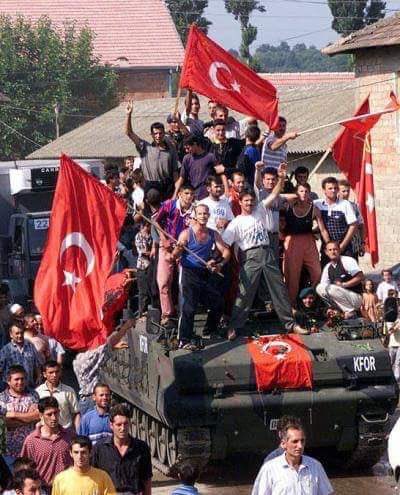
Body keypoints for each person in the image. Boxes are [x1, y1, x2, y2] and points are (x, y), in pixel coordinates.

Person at [222, 164, 307, 341]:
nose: (250, 203)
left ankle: (291, 325)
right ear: (240, 201)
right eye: (246, 200)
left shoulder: (260, 208)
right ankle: (234, 327)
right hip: (250, 256)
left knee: (279, 290)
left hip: (267, 252)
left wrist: (282, 177)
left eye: (251, 200)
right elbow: (224, 243)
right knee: (245, 293)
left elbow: (275, 194)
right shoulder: (236, 223)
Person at [171, 204, 231, 350]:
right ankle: (184, 340)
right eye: (200, 214)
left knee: (217, 302)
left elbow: (226, 251)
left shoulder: (213, 233)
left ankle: (209, 330)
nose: (203, 216)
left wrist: (219, 264)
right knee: (189, 308)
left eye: (205, 213)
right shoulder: (186, 234)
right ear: (195, 216)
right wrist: (179, 248)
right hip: (189, 274)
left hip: (205, 273)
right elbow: (174, 256)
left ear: (208, 215)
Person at [252, 420, 333, 495]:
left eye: (302, 441)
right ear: (283, 444)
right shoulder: (269, 469)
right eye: (295, 441)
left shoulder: (316, 467)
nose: (300, 446)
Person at [73, 319, 134, 415]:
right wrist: (125, 327)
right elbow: (110, 342)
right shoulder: (86, 358)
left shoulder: (78, 360)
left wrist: (112, 347)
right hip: (91, 401)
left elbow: (100, 354)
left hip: (87, 399)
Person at [154, 184, 195, 326]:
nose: (189, 196)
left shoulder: (195, 211)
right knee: (163, 282)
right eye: (186, 193)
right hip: (166, 247)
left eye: (191, 194)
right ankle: (167, 313)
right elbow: (156, 221)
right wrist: (163, 238)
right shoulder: (168, 205)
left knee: (183, 284)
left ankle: (184, 313)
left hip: (184, 249)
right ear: (180, 194)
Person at [282, 183, 330, 305]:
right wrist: (281, 236)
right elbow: (275, 204)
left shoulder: (314, 209)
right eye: (301, 191)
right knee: (292, 275)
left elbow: (323, 229)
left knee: (317, 272)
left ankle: (312, 300)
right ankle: (291, 305)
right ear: (296, 193)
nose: (304, 194)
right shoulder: (287, 206)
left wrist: (329, 245)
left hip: (308, 241)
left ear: (310, 193)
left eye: (306, 191)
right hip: (292, 241)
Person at [92, 403, 152, 495]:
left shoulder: (141, 448)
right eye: (119, 425)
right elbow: (93, 477)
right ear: (111, 425)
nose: (123, 428)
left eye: (125, 424)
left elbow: (146, 479)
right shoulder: (100, 448)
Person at [125, 99, 178, 198]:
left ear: (164, 134)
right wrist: (128, 115)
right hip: (151, 186)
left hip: (167, 186)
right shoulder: (145, 147)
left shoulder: (171, 150)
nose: (158, 136)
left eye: (160, 133)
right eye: (155, 133)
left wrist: (176, 192)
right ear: (152, 135)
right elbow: (129, 133)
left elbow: (175, 172)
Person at [21, 397, 72, 489]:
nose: (53, 418)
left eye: (56, 413)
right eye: (49, 414)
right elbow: (24, 469)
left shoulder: (70, 436)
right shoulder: (32, 441)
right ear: (41, 415)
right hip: (42, 490)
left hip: (67, 488)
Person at [0, 365, 39, 467]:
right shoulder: (2, 398)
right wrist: (29, 418)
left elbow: (38, 415)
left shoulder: (33, 395)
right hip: (9, 451)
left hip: (29, 448)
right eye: (16, 379)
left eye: (22, 379)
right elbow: (5, 422)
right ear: (9, 381)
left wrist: (14, 415)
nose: (20, 382)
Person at [254, 165, 295, 262]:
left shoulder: (278, 197)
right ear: (263, 180)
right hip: (262, 236)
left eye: (273, 179)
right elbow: (257, 182)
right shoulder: (259, 193)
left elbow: (293, 197)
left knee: (274, 265)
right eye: (267, 179)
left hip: (275, 237)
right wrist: (258, 169)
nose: (270, 182)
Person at [314, 177, 357, 265]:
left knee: (348, 274)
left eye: (335, 188)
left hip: (345, 247)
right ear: (324, 190)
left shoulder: (345, 204)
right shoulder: (317, 204)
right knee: (327, 273)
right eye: (330, 188)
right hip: (327, 247)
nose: (333, 191)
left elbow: (353, 225)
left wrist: (342, 246)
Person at [316, 241, 364, 319]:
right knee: (319, 288)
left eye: (335, 249)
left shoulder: (347, 260)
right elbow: (323, 287)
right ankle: (334, 310)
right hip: (340, 298)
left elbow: (360, 277)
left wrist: (344, 284)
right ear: (326, 252)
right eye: (330, 250)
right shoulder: (327, 267)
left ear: (339, 250)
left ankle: (350, 312)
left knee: (331, 288)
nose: (333, 252)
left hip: (355, 297)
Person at [36, 360, 80, 431]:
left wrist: (77, 432)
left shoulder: (68, 391)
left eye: (57, 372)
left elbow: (76, 413)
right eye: (51, 372)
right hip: (45, 432)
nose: (54, 375)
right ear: (44, 374)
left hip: (65, 431)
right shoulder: (38, 392)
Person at [174, 134, 218, 200]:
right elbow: (182, 178)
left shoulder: (210, 157)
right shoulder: (187, 158)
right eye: (185, 148)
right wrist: (175, 194)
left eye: (188, 148)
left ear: (195, 144)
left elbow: (221, 172)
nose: (186, 151)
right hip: (193, 194)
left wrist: (226, 188)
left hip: (207, 194)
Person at [0, 323, 41, 389]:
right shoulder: (6, 350)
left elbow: (37, 363)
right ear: (11, 335)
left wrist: (39, 376)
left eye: (21, 333)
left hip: (29, 386)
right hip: (12, 389)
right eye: (17, 333)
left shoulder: (30, 346)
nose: (20, 335)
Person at [135, 222, 153, 317]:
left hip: (152, 266)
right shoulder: (139, 236)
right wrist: (153, 252)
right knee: (142, 291)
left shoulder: (152, 236)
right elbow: (142, 252)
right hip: (142, 266)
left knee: (151, 290)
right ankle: (142, 312)